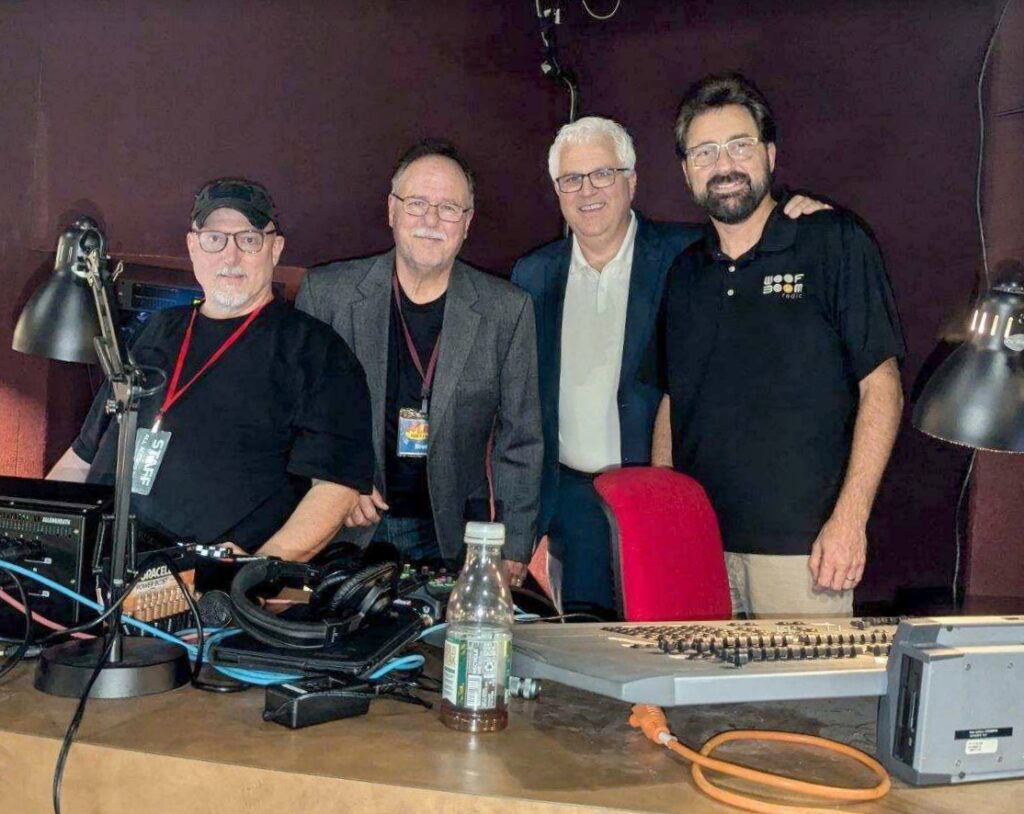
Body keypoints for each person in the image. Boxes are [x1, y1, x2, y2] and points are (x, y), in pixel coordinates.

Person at [512, 116, 828, 616]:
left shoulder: (687, 254)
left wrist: (796, 215)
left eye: (603, 174)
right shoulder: (532, 275)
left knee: (667, 646)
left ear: (632, 181)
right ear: (557, 190)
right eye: (572, 179)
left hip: (664, 492)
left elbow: (752, 232)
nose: (587, 190)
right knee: (588, 652)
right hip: (571, 501)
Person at [652, 73, 905, 617]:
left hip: (805, 556)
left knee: (803, 704)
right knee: (696, 703)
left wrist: (849, 521)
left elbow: (881, 387)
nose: (724, 165)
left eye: (740, 145)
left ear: (769, 153)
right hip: (700, 551)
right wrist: (665, 521)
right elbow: (673, 403)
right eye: (705, 152)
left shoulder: (833, 242)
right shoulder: (683, 274)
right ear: (686, 170)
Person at [47, 178, 374, 562]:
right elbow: (81, 457)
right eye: (214, 238)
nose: (230, 257)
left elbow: (335, 489)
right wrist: (32, 537)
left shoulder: (318, 352)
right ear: (192, 246)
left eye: (249, 239)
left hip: (208, 592)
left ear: (276, 249)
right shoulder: (154, 330)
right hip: (98, 569)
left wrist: (252, 577)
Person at [296, 139, 542, 584]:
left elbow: (520, 439)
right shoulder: (326, 294)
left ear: (467, 223)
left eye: (449, 208)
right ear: (391, 210)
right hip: (343, 528)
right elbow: (297, 411)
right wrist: (335, 481)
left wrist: (511, 543)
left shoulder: (508, 310)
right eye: (417, 204)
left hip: (454, 538)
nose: (431, 220)